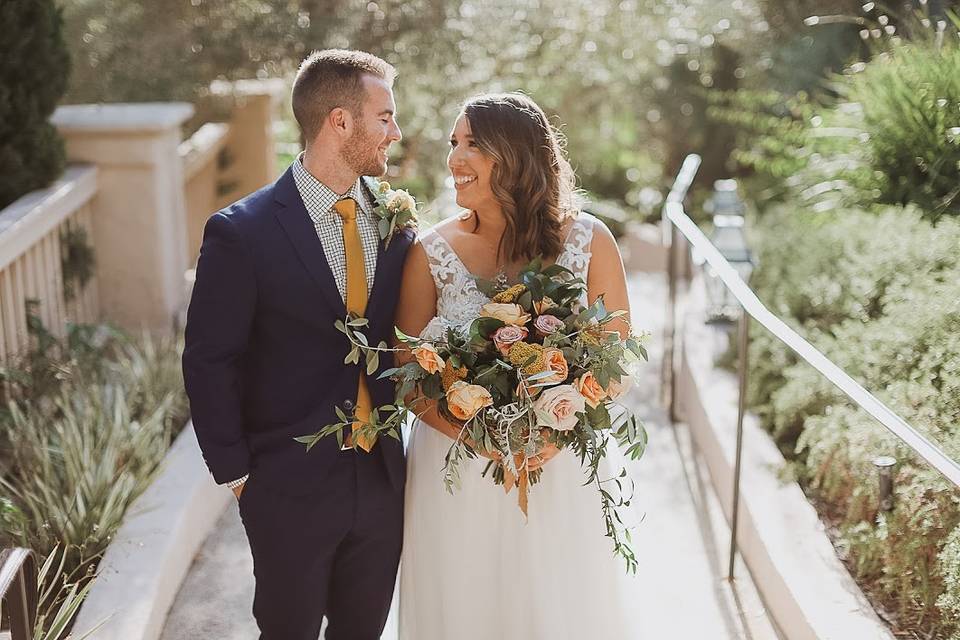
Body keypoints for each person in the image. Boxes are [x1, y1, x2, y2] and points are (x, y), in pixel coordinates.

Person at [182, 49, 413, 640]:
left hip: (382, 479)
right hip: (286, 484)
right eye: (384, 117)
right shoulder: (242, 231)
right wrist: (237, 474)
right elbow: (211, 358)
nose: (396, 132)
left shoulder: (397, 224)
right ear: (340, 121)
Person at [396, 93, 638, 639]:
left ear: (516, 154)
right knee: (465, 604)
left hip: (559, 463)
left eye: (472, 145)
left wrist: (553, 434)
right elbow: (407, 377)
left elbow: (615, 358)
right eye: (454, 144)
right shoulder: (429, 252)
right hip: (457, 464)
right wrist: (484, 443)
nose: (455, 159)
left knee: (557, 607)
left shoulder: (589, 240)